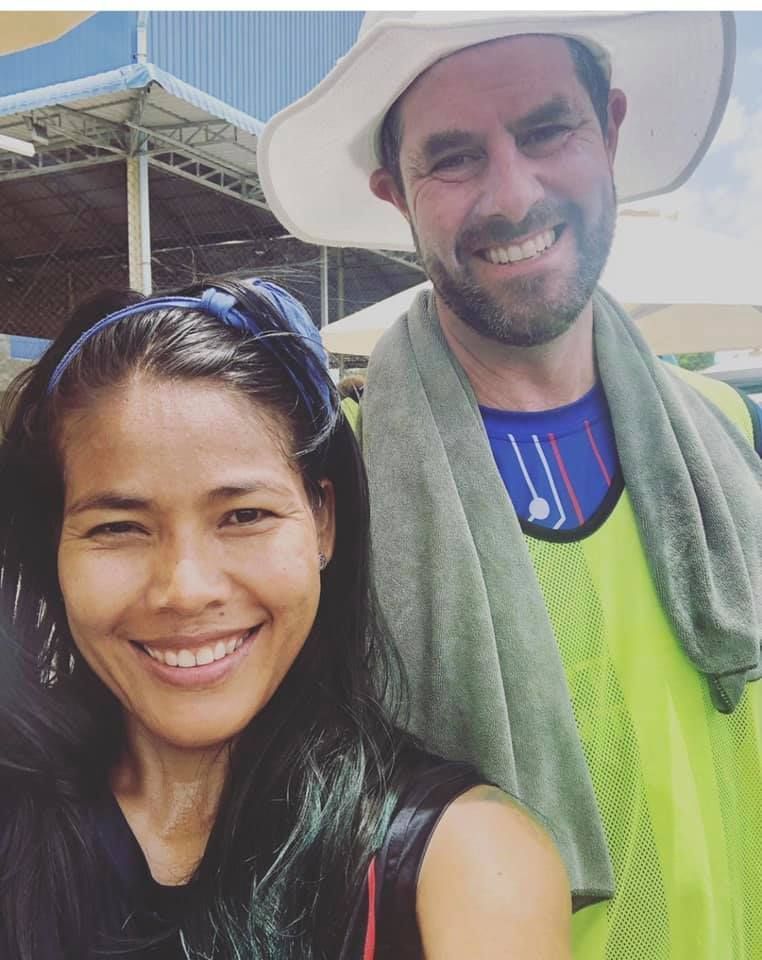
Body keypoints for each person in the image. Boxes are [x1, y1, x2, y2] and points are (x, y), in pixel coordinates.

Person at [258, 12, 762, 959]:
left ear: (609, 131)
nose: (513, 192)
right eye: (452, 157)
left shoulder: (735, 441)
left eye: (546, 131)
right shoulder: (332, 500)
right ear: (394, 193)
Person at [0, 277, 570, 959]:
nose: (184, 589)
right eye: (119, 526)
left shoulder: (466, 864)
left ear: (323, 520)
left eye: (244, 516)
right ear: (52, 545)